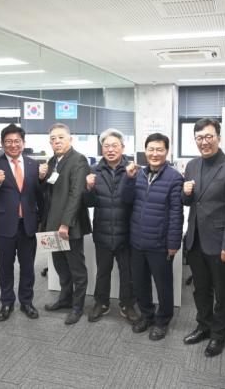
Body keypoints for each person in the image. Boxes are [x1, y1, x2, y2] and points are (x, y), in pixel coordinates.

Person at [181, 118, 225, 356]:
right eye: (199, 138)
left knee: (222, 292)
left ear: (219, 137)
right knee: (200, 289)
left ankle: (219, 335)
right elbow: (189, 201)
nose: (204, 142)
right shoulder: (192, 165)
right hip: (195, 239)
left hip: (220, 242)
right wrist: (185, 193)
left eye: (209, 136)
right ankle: (204, 326)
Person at [121, 133, 183, 341]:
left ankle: (162, 320)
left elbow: (176, 214)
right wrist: (128, 179)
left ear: (167, 152)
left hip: (159, 243)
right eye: (151, 149)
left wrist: (173, 243)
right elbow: (126, 199)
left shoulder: (174, 178)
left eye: (159, 149)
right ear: (145, 151)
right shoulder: (137, 174)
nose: (155, 154)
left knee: (163, 284)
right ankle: (147, 315)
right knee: (140, 283)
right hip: (137, 240)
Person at [0, 124, 46, 322]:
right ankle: (7, 302)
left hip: (28, 224)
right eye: (8, 141)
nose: (13, 145)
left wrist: (42, 220)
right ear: (2, 144)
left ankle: (26, 302)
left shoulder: (33, 165)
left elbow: (40, 195)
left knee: (27, 267)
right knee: (5, 267)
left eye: (17, 141)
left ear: (23, 143)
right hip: (4, 224)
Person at [82, 128, 139, 323]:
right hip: (103, 231)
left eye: (115, 145)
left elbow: (134, 199)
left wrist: (130, 179)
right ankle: (101, 303)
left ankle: (127, 304)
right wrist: (88, 188)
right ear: (102, 149)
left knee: (128, 273)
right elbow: (89, 203)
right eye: (106, 146)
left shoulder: (133, 170)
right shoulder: (94, 171)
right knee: (103, 271)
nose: (111, 149)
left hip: (127, 232)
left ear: (123, 147)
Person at [41, 123, 92, 325]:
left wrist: (65, 224)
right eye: (53, 138)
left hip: (69, 225)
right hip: (52, 223)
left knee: (76, 268)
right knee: (60, 265)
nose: (57, 141)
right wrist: (41, 177)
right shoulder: (53, 161)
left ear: (70, 139)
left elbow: (76, 194)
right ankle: (65, 299)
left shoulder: (79, 160)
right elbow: (48, 191)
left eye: (61, 137)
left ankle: (77, 306)